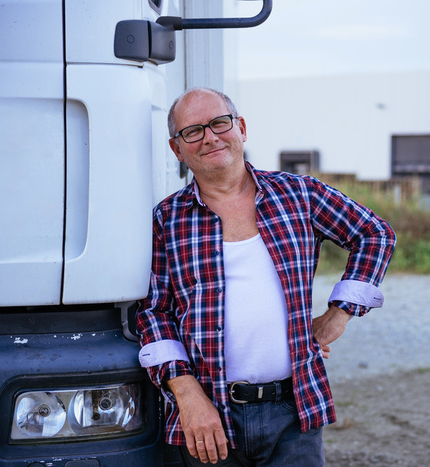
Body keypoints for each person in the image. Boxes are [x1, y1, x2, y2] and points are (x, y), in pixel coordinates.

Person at [136, 88, 395, 466]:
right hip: (207, 418)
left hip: (294, 411)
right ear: (177, 149)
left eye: (219, 123)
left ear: (240, 128)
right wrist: (186, 395)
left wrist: (339, 313)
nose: (209, 137)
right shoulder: (166, 220)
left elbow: (375, 234)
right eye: (192, 131)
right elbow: (152, 313)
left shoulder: (299, 195)